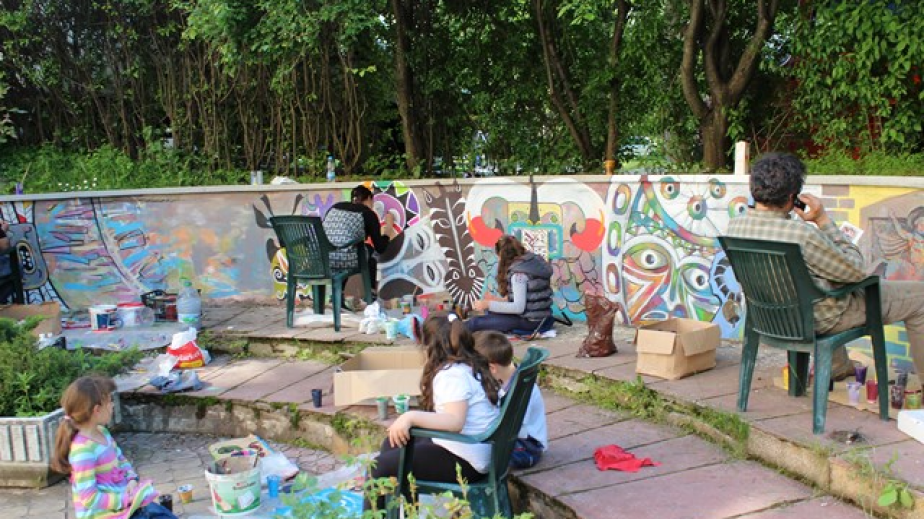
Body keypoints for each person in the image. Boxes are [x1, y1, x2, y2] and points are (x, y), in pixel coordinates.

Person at [725, 152, 924, 384]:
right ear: (792, 197)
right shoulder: (801, 234)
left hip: (769, 318)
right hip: (818, 319)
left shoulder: (734, 227)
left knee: (820, 283)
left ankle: (837, 366)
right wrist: (823, 221)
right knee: (920, 298)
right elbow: (857, 272)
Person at [365, 314, 500, 512]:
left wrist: (410, 416)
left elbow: (455, 422)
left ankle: (380, 513)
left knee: (378, 468)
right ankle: (405, 511)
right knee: (393, 442)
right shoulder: (469, 365)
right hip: (475, 448)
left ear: (430, 346)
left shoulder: (452, 375)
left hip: (467, 460)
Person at [51, 376, 176, 519]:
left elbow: (121, 460)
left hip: (126, 506)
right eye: (110, 401)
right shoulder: (83, 451)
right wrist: (125, 499)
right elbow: (89, 498)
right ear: (97, 410)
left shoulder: (102, 432)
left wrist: (132, 479)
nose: (112, 406)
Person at [473, 330, 547, 469]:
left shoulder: (521, 390)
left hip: (528, 446)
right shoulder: (509, 378)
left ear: (492, 368)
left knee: (476, 453)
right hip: (518, 437)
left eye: (478, 371)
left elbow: (512, 428)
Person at [467, 235, 554, 335]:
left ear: (502, 256)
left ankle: (454, 329)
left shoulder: (518, 275)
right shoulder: (530, 263)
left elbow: (518, 307)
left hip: (531, 322)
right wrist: (497, 300)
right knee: (490, 312)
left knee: (475, 323)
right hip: (541, 318)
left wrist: (488, 304)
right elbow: (529, 297)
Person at [323, 185, 393, 304]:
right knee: (369, 251)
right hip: (345, 259)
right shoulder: (368, 213)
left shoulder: (335, 207)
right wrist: (388, 229)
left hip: (325, 258)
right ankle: (371, 295)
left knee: (345, 249)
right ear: (369, 199)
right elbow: (380, 247)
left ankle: (337, 296)